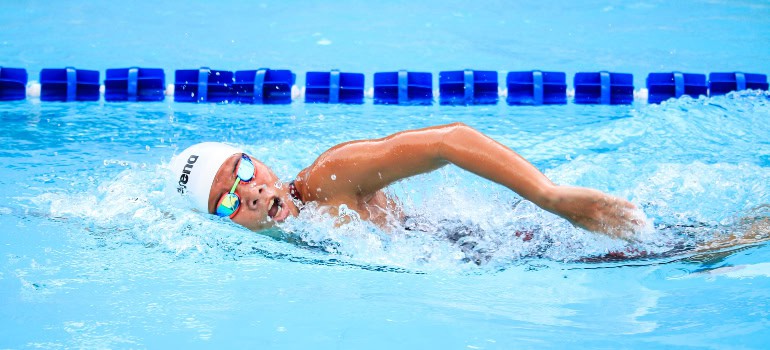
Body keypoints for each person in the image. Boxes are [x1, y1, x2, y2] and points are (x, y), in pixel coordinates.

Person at [171, 122, 646, 240]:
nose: (250, 193)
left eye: (245, 172)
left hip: (494, 244)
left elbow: (449, 140)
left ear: (265, 166)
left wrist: (551, 197)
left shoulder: (329, 178)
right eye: (227, 201)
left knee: (670, 247)